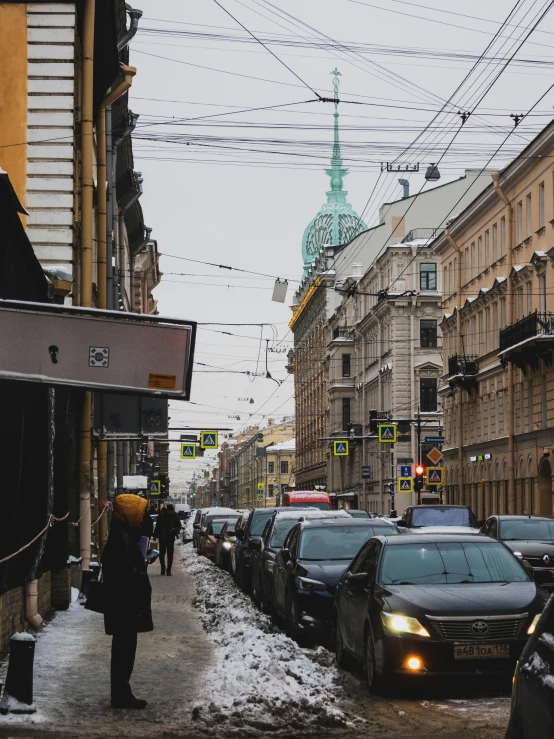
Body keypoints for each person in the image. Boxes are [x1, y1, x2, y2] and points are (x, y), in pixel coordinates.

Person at [101, 494, 154, 709]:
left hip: (123, 606)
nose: (143, 518)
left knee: (124, 650)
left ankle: (121, 692)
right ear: (130, 512)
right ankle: (121, 695)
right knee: (124, 651)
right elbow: (126, 574)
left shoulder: (123, 535)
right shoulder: (122, 540)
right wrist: (141, 571)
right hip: (124, 607)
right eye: (140, 513)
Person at [154, 504, 181, 576]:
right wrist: (155, 534)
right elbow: (157, 526)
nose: (170, 512)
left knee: (170, 555)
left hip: (170, 538)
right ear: (167, 510)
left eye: (171, 511)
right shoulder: (161, 516)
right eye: (169, 511)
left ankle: (169, 570)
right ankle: (163, 567)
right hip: (162, 537)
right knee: (161, 554)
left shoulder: (175, 516)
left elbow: (179, 526)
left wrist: (174, 529)